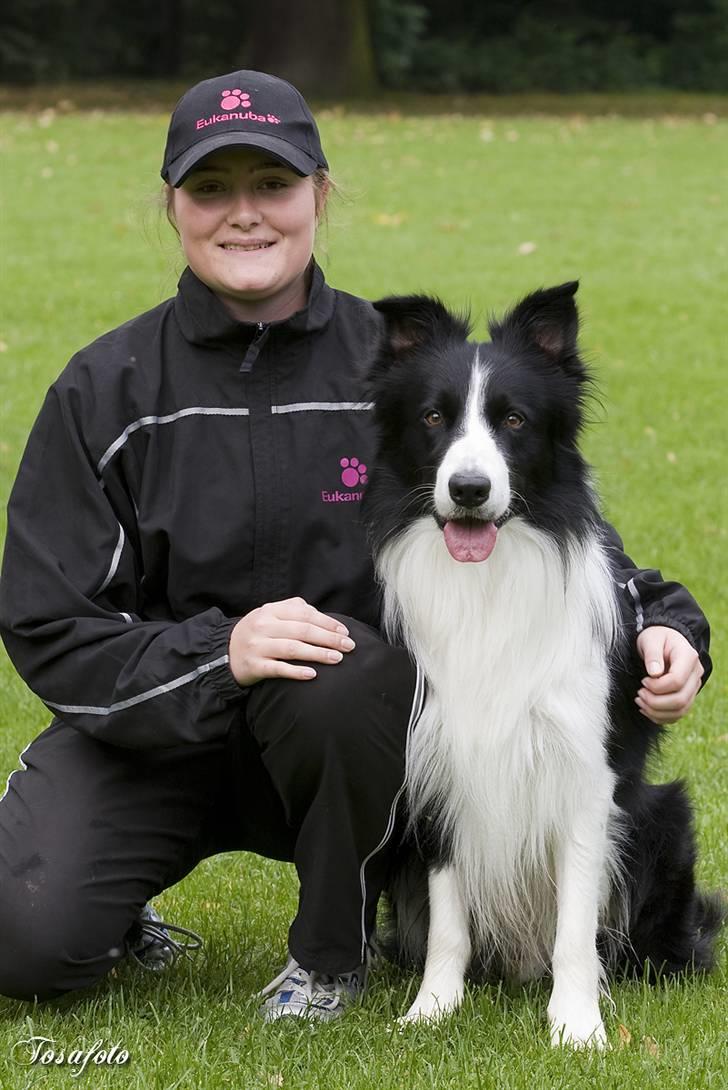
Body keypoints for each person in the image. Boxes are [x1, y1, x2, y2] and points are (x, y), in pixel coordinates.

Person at [0, 70, 710, 1019]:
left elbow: (551, 525)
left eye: (273, 186)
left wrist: (666, 621)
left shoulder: (408, 370)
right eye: (211, 188)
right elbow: (50, 625)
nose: (244, 214)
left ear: (320, 196)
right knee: (23, 942)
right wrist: (220, 653)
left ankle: (329, 958)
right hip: (158, 734)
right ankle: (113, 900)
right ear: (172, 204)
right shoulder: (105, 388)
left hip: (355, 750)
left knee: (352, 680)